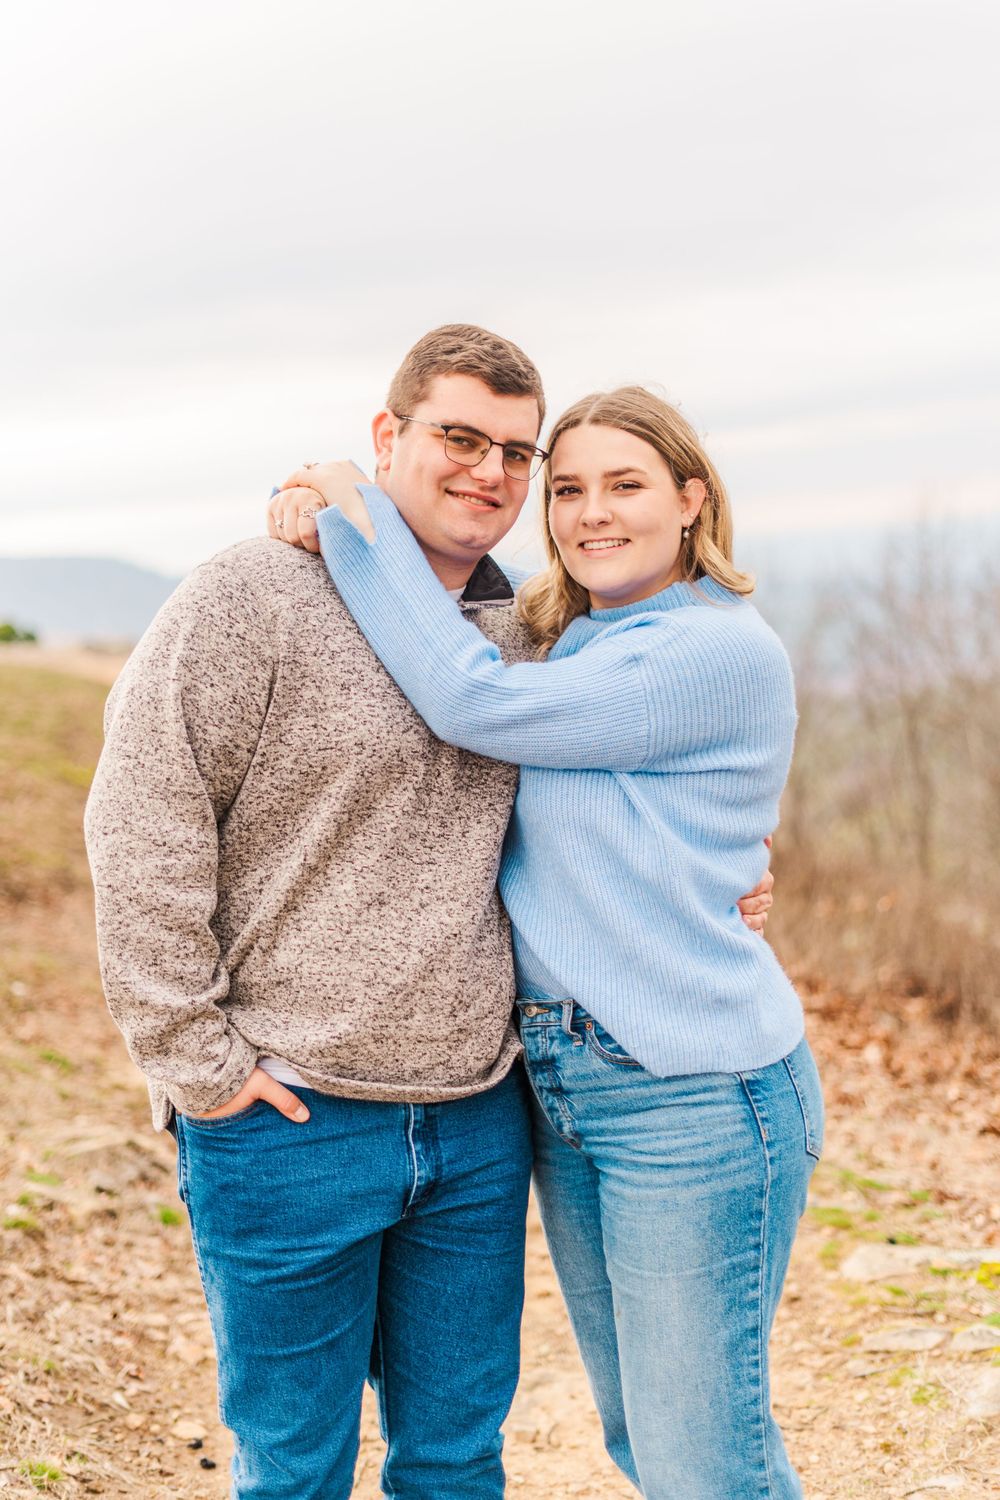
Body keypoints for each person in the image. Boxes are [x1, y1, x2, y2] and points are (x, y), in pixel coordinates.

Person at [84, 325, 774, 1500]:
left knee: (455, 1462)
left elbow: (648, 769)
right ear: (385, 438)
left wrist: (740, 866)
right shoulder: (249, 597)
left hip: (476, 1117)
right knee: (295, 1467)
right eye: (460, 438)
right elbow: (140, 824)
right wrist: (196, 1061)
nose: (490, 474)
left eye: (518, 453)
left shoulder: (526, 634)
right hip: (288, 1115)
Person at [267, 384, 820, 1500]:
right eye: (567, 489)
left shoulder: (710, 649)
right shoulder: (588, 634)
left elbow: (473, 705)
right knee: (642, 1436)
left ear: (691, 498)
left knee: (705, 1461)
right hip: (569, 1088)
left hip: (694, 1095)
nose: (588, 513)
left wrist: (348, 510)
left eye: (625, 485)